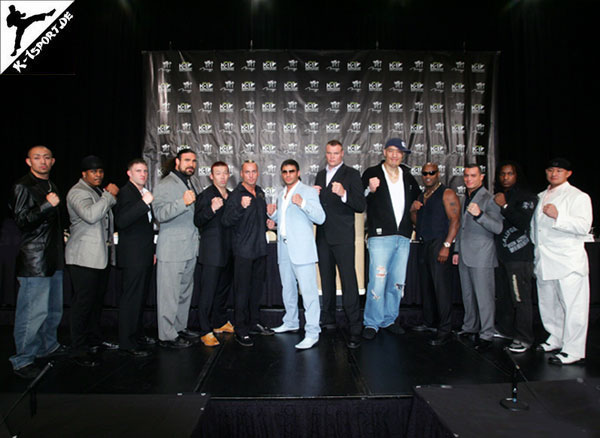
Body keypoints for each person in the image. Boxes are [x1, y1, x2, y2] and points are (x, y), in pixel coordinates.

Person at [9, 146, 67, 379]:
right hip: (34, 260)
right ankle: (22, 359)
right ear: (28, 161)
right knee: (32, 312)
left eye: (46, 158)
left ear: (53, 161)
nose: (42, 162)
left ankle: (47, 346)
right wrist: (46, 205)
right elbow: (22, 221)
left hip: (53, 257)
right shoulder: (23, 186)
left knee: (53, 310)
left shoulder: (51, 185)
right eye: (37, 158)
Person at [531, 158, 593, 365]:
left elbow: (584, 227)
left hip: (568, 261)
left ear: (568, 173)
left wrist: (559, 216)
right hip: (544, 260)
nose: (554, 174)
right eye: (550, 170)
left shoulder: (578, 196)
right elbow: (535, 229)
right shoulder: (540, 196)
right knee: (548, 304)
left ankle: (574, 349)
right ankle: (555, 337)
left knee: (573, 306)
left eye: (559, 170)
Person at [361, 138, 421, 340]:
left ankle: (389, 319)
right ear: (384, 152)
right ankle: (372, 322)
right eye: (392, 151)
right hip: (380, 236)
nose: (395, 155)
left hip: (403, 236)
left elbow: (418, 200)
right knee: (377, 282)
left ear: (403, 154)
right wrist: (370, 189)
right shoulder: (372, 173)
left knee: (396, 282)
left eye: (399, 152)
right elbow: (358, 200)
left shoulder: (408, 176)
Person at [66, 155, 119, 367]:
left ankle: (94, 340)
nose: (98, 174)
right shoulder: (78, 192)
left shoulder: (96, 191)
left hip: (99, 257)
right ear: (84, 174)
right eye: (93, 171)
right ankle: (78, 349)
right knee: (82, 305)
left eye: (100, 171)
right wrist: (109, 196)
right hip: (82, 258)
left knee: (96, 304)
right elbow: (90, 215)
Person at [268, 160, 326, 349]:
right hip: (283, 247)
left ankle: (312, 332)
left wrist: (302, 203)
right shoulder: (280, 194)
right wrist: (273, 218)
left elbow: (320, 217)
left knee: (309, 293)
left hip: (302, 249)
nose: (288, 175)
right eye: (284, 171)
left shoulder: (308, 191)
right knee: (288, 289)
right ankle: (291, 321)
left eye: (291, 171)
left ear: (298, 172)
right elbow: (285, 220)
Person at [313, 140, 365, 349]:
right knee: (326, 280)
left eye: (336, 153)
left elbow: (360, 205)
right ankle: (328, 321)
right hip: (323, 236)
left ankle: (355, 328)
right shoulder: (319, 175)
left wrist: (344, 193)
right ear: (325, 154)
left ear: (342, 153)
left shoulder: (351, 174)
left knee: (348, 280)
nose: (333, 157)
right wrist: (313, 196)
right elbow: (317, 208)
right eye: (329, 153)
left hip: (343, 236)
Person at [222, 160, 274, 347]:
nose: (251, 175)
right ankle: (241, 329)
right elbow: (226, 220)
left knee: (256, 291)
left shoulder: (260, 192)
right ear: (242, 174)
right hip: (243, 251)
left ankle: (254, 323)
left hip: (259, 250)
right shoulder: (236, 195)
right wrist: (240, 207)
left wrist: (269, 222)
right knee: (242, 292)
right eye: (247, 172)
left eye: (254, 172)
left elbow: (259, 218)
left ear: (257, 173)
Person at [452, 164, 503, 351]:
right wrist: (456, 251)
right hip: (465, 253)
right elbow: (461, 228)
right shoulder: (466, 197)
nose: (468, 179)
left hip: (482, 255)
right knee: (467, 295)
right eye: (466, 176)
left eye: (473, 175)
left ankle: (487, 333)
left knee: (484, 297)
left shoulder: (489, 199)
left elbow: (498, 227)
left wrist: (480, 214)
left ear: (481, 177)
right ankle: (470, 326)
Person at [153, 149, 200, 348]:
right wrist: (183, 202)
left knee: (183, 292)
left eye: (194, 161)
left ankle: (179, 328)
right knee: (168, 295)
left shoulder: (188, 182)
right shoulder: (165, 184)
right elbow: (160, 214)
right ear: (177, 162)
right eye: (187, 160)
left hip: (189, 247)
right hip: (172, 249)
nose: (192, 164)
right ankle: (166, 336)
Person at [410, 162, 460, 346]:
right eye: (424, 173)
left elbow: (455, 220)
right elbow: (416, 221)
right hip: (424, 243)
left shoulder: (447, 193)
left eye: (431, 172)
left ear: (438, 174)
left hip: (439, 243)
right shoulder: (422, 195)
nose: (428, 175)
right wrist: (413, 210)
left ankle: (445, 329)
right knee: (427, 286)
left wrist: (447, 245)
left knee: (442, 288)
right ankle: (430, 322)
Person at [492, 161, 537, 353]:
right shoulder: (500, 195)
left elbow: (521, 221)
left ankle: (524, 338)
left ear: (516, 175)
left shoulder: (526, 196)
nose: (505, 178)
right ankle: (506, 330)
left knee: (521, 298)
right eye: (502, 174)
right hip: (502, 255)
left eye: (509, 174)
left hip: (520, 256)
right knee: (504, 296)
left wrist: (505, 205)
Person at [114, 159, 156, 357]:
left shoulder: (141, 192)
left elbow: (146, 227)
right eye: (138, 171)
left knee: (140, 298)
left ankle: (137, 335)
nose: (143, 174)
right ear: (129, 173)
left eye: (145, 171)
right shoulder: (126, 192)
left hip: (144, 253)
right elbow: (121, 221)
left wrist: (152, 251)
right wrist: (144, 203)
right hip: (132, 256)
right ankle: (127, 342)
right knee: (131, 298)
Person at [194, 161, 235, 347]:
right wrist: (211, 209)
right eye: (218, 173)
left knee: (222, 291)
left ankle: (219, 322)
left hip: (229, 251)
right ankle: (204, 330)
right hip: (212, 252)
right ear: (211, 176)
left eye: (225, 173)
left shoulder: (232, 196)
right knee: (208, 293)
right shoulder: (206, 195)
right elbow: (197, 220)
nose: (222, 177)